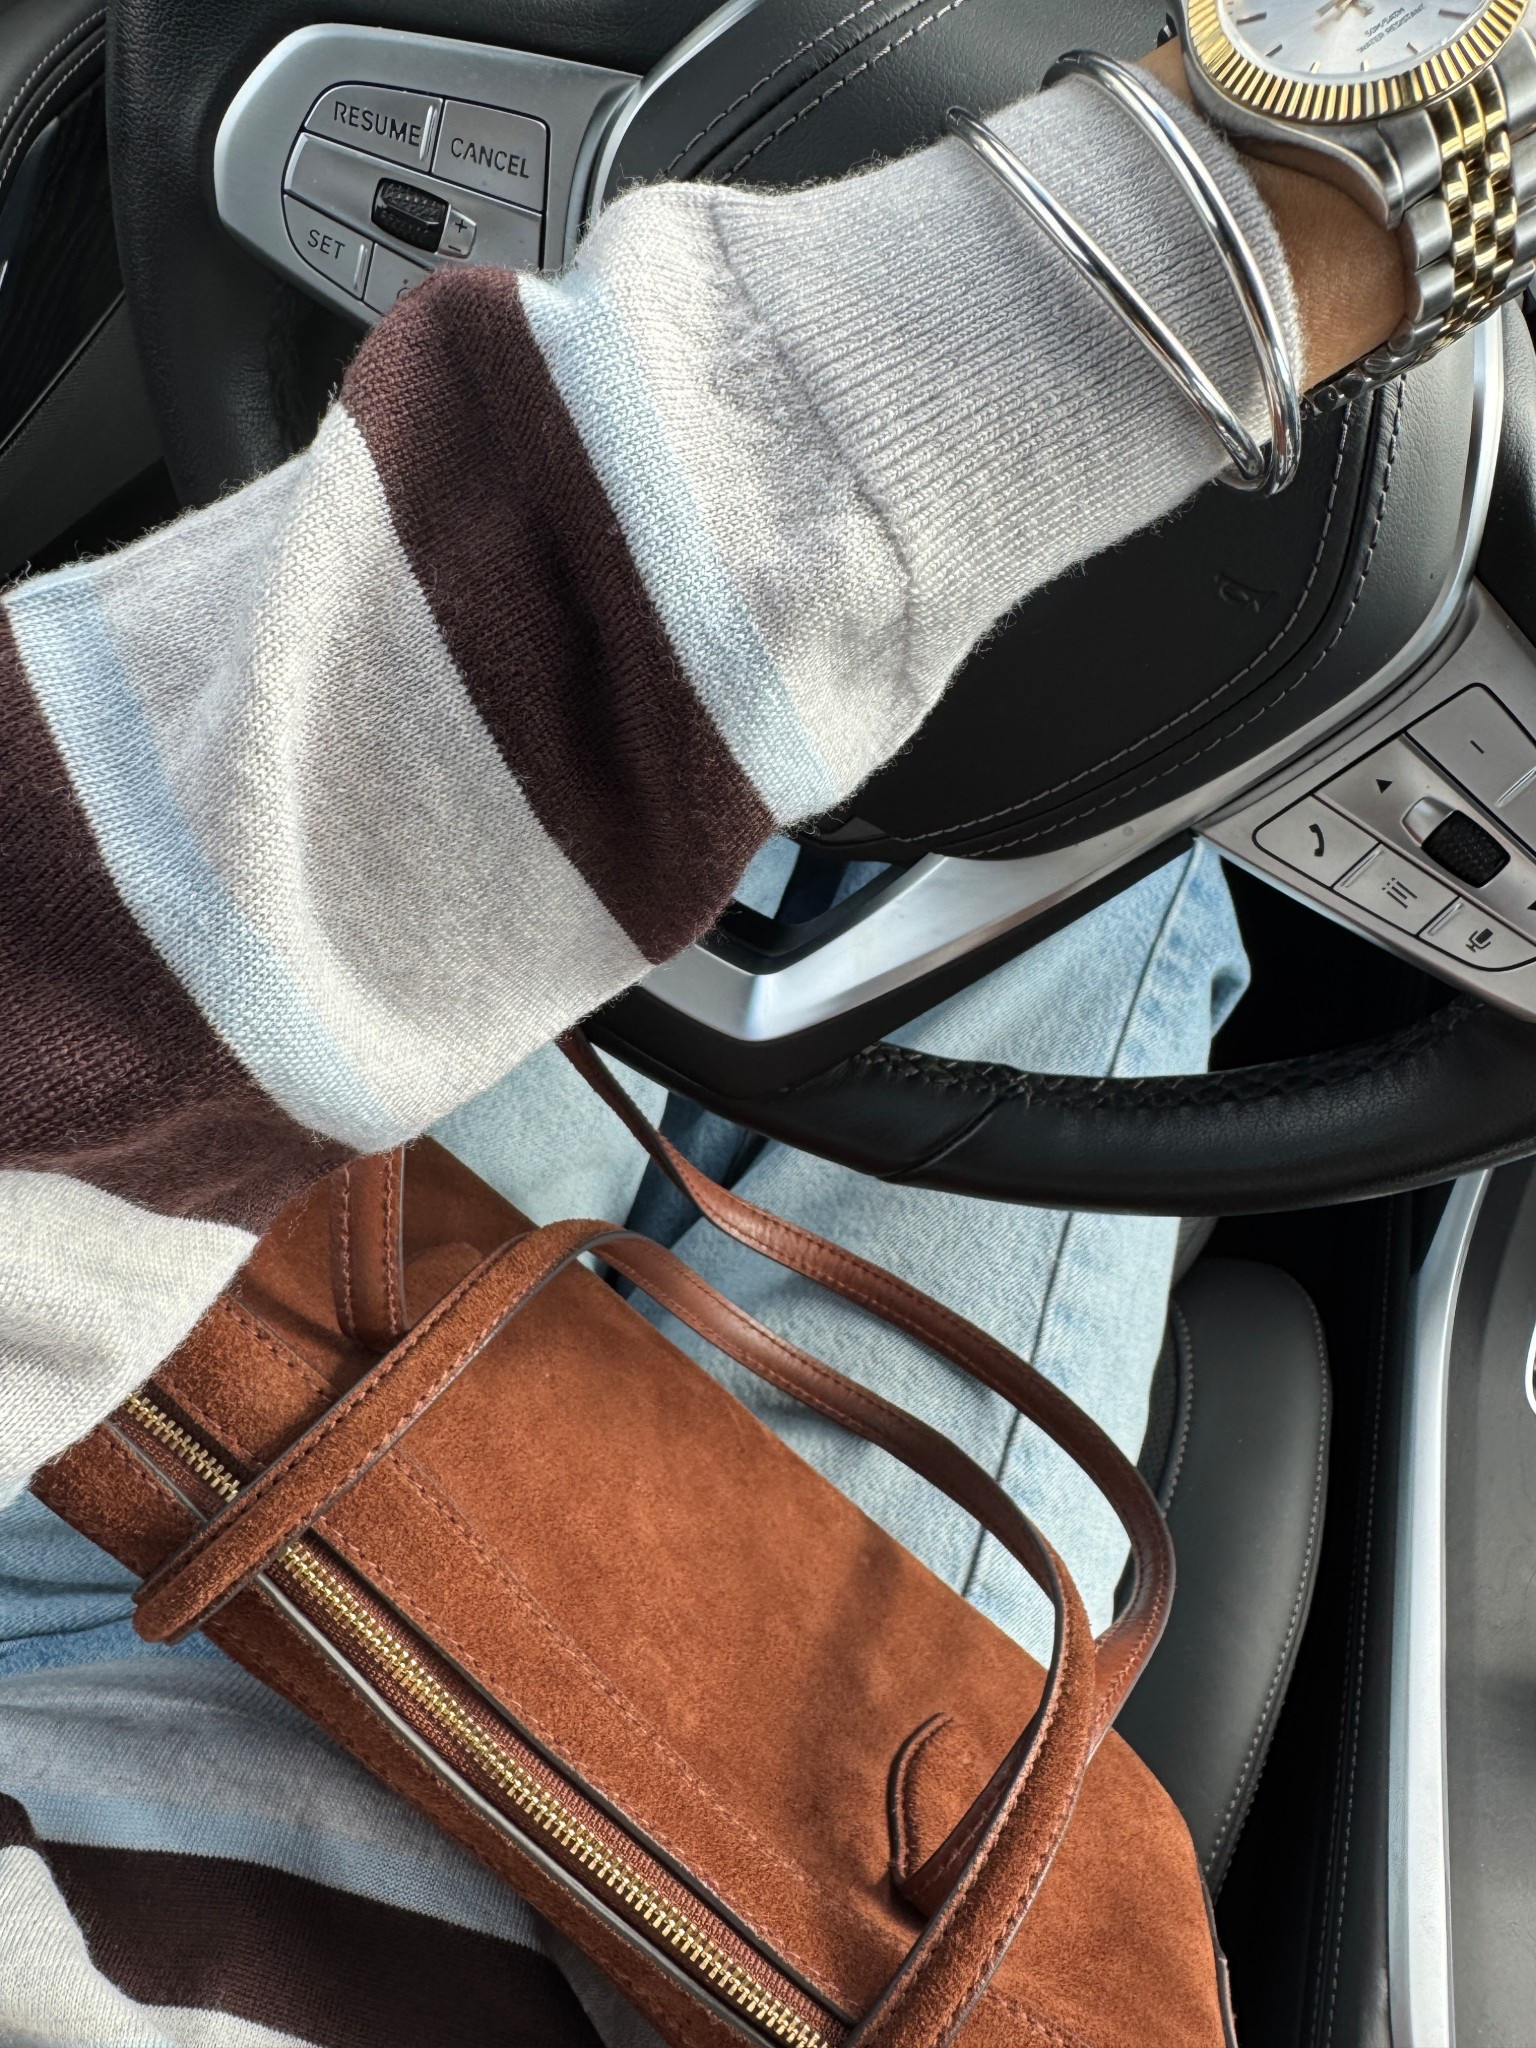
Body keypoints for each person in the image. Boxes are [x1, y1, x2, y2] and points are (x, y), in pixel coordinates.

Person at [0, 36, 1401, 2045]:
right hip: (754, 1900)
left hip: (132, 1459)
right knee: (1117, 859)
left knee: (1092, 854)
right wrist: (1226, 233)